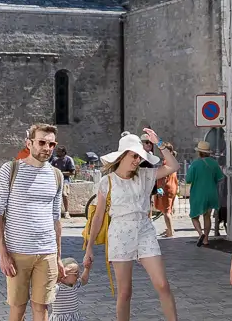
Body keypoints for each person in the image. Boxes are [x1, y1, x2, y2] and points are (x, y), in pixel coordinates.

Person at [85, 128, 181, 321]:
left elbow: (173, 166)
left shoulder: (145, 175)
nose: (137, 160)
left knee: (162, 284)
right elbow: (98, 217)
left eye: (140, 156)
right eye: (134, 155)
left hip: (144, 229)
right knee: (125, 292)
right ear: (122, 156)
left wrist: (160, 143)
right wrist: (89, 247)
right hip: (119, 232)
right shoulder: (107, 181)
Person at [0, 123, 66, 321]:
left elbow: (55, 218)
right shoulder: (10, 170)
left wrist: (58, 256)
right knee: (18, 309)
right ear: (29, 143)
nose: (47, 148)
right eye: (42, 142)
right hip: (17, 253)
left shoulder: (56, 176)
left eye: (51, 144)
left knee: (41, 308)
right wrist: (3, 254)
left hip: (47, 253)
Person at [184, 140, 224, 246]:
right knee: (207, 216)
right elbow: (220, 178)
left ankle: (200, 233)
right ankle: (206, 239)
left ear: (199, 152)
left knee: (194, 216)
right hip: (211, 193)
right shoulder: (214, 163)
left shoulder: (195, 164)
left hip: (198, 194)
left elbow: (188, 180)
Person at [151, 144, 179, 237]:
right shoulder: (172, 161)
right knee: (168, 210)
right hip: (172, 188)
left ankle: (170, 232)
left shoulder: (167, 162)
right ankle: (170, 229)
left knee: (166, 211)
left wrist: (159, 191)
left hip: (166, 189)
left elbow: (164, 178)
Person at [50, 257, 90, 321]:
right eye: (75, 274)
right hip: (61, 318)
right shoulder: (58, 287)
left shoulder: (75, 284)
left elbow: (84, 280)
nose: (78, 276)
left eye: (78, 273)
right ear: (64, 275)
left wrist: (87, 269)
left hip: (74, 317)